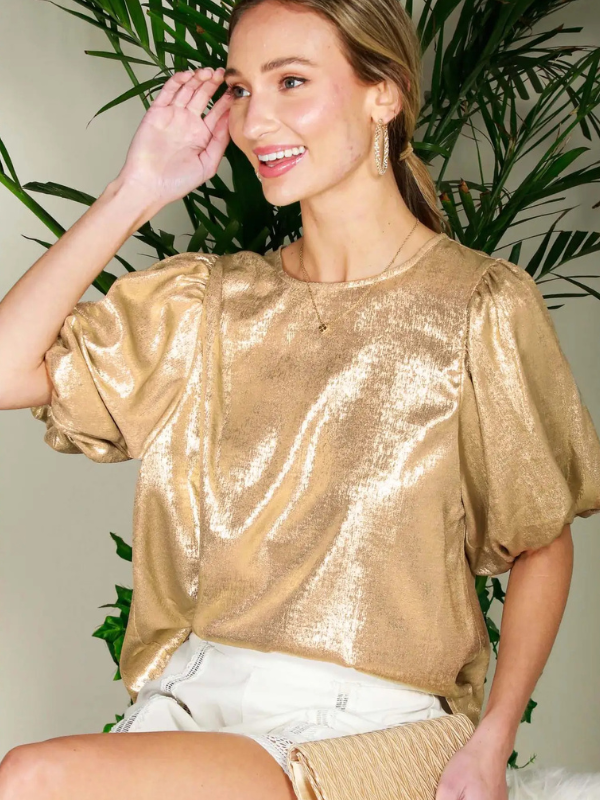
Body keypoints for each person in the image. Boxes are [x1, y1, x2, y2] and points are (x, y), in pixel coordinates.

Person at [1, 0, 600, 798]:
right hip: (195, 711)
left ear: (383, 93)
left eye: (292, 82)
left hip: (370, 727)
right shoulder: (211, 304)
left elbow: (542, 543)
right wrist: (134, 190)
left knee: (34, 778)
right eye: (241, 89)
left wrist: (493, 740)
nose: (256, 123)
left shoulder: (477, 305)